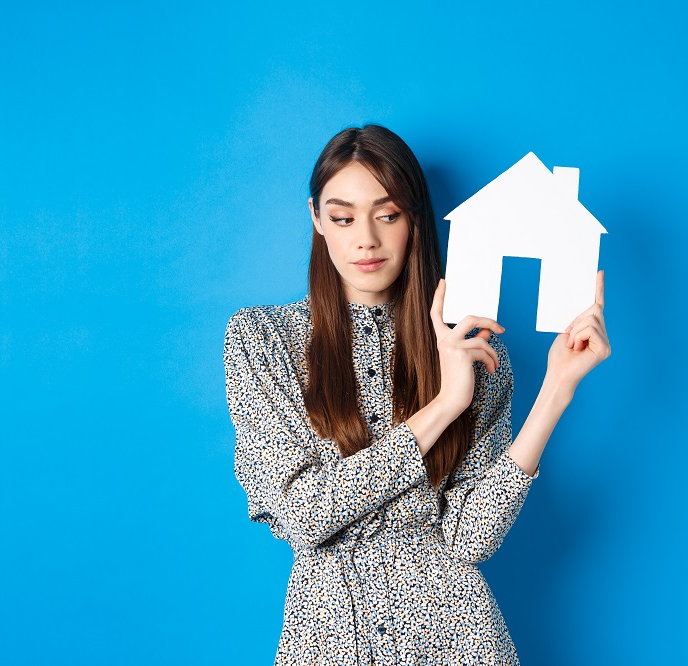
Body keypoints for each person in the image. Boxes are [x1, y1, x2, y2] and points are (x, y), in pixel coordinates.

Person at [224, 124, 610, 665]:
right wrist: (445, 404)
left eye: (388, 215)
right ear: (316, 219)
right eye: (342, 217)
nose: (365, 239)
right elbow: (299, 514)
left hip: (460, 639)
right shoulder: (263, 341)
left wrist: (555, 389)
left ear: (414, 220)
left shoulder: (473, 352)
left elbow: (469, 538)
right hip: (331, 638)